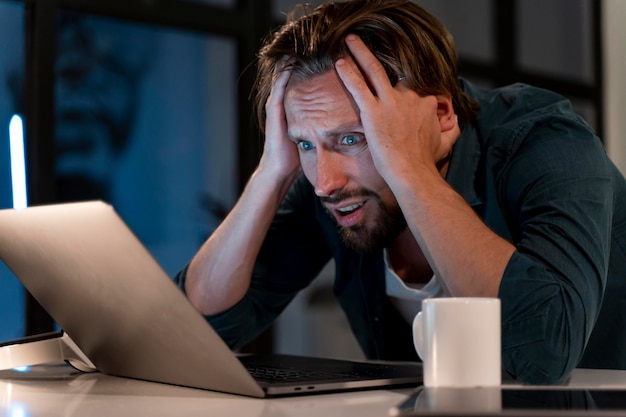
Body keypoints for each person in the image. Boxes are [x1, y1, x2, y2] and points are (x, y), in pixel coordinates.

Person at [175, 0, 626, 384]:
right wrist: (271, 172)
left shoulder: (545, 142)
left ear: (443, 115)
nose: (325, 182)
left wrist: (408, 168)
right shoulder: (333, 184)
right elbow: (193, 335)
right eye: (305, 143)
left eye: (353, 138)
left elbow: (545, 351)